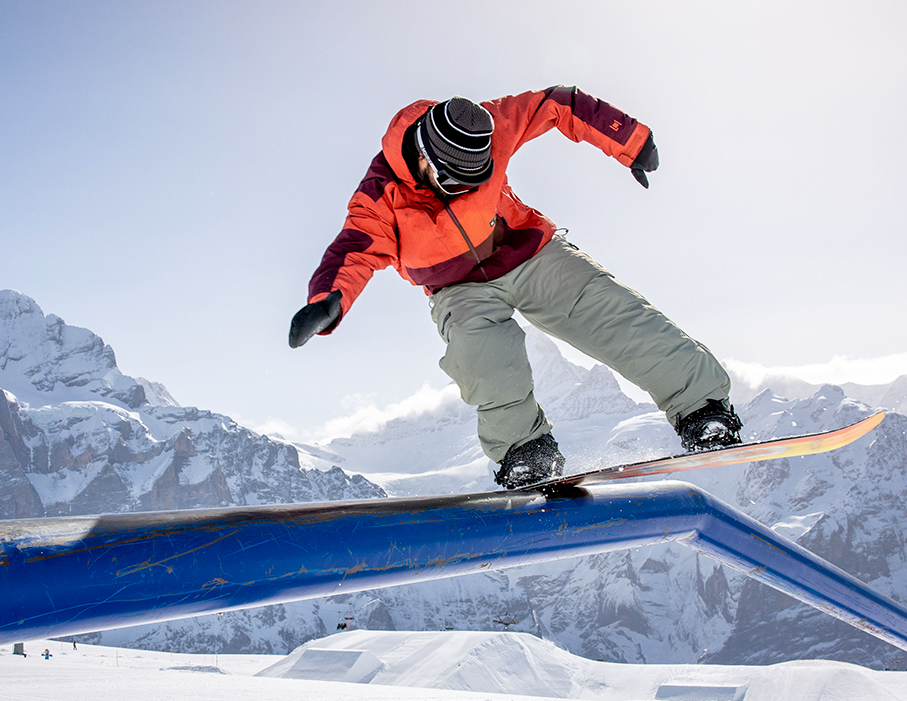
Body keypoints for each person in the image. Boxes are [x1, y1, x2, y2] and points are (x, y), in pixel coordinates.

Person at [289, 87, 741, 489]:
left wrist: (630, 140)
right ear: (425, 161)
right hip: (458, 289)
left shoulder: (493, 122)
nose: (464, 190)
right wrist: (327, 301)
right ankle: (526, 452)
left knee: (610, 313)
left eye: (478, 178)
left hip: (527, 251)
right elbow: (353, 252)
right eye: (454, 182)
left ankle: (702, 408)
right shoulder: (379, 195)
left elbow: (559, 103)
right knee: (482, 357)